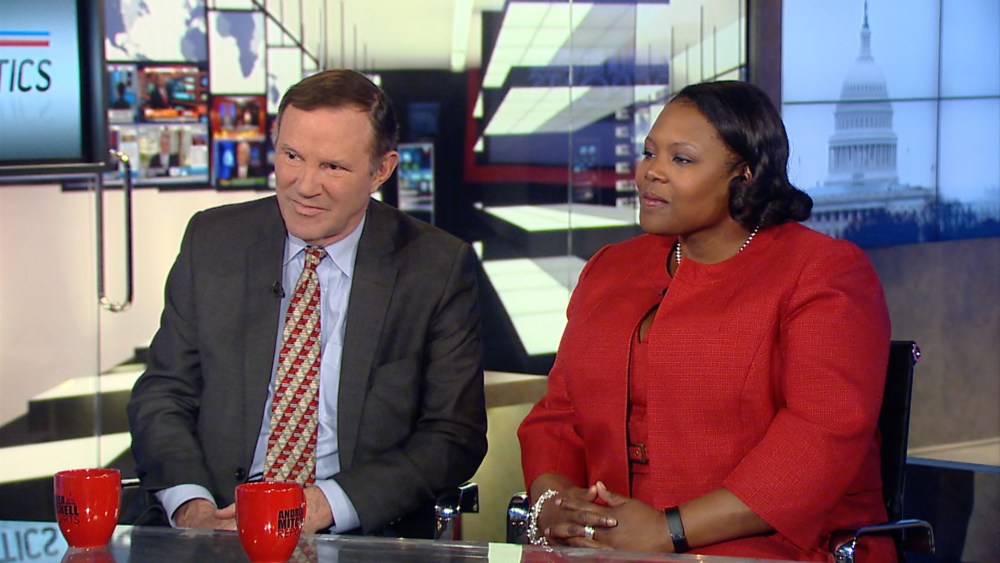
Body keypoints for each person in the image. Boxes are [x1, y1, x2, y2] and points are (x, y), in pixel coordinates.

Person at [517, 80, 895, 561]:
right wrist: (552, 503)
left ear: (744, 175)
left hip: (768, 545)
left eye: (681, 159)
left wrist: (667, 530)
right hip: (608, 544)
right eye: (649, 153)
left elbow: (820, 438)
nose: (651, 172)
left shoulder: (821, 271)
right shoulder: (610, 268)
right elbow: (558, 414)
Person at [127, 69, 488, 537]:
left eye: (332, 167)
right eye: (292, 156)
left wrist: (326, 506)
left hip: (353, 532)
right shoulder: (213, 240)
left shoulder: (434, 267)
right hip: (213, 522)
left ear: (381, 170)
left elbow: (453, 434)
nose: (304, 185)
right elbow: (163, 393)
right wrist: (190, 505)